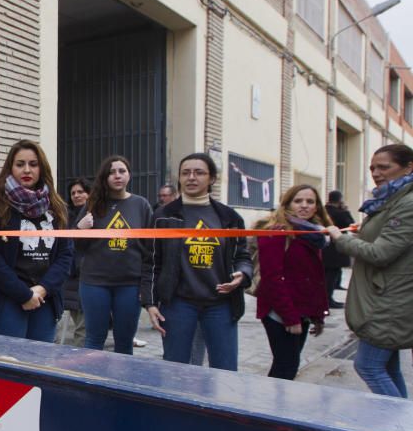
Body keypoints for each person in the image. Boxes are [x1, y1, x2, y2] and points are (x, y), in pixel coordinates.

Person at [141, 152, 252, 370]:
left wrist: (242, 274)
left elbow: (243, 257)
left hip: (221, 303)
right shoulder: (163, 216)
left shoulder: (229, 218)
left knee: (226, 369)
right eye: (186, 173)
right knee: (176, 369)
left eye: (199, 172)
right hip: (179, 303)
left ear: (211, 179)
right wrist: (150, 302)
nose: (191, 177)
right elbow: (151, 262)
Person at [328, 143, 413, 398]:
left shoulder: (407, 203)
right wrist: (360, 232)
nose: (376, 173)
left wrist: (341, 239)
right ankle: (402, 424)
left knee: (368, 366)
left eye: (384, 167)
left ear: (408, 168)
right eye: (372, 168)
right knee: (387, 366)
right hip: (385, 295)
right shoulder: (391, 199)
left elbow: (381, 253)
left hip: (389, 301)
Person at [0, 140, 73, 342]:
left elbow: (65, 255)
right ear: (10, 167)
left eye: (33, 164)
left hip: (44, 297)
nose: (27, 169)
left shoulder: (57, 207)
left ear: (42, 168)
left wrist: (41, 290)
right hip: (4, 296)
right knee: (8, 364)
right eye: (20, 164)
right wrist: (23, 294)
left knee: (39, 365)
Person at [75, 157, 152, 355]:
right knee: (94, 339)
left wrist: (146, 286)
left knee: (125, 342)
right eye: (111, 172)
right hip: (94, 283)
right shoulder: (93, 204)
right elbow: (77, 246)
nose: (117, 175)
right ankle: (91, 385)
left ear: (129, 175)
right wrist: (79, 229)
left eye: (122, 171)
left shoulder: (141, 205)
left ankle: (119, 385)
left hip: (129, 284)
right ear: (105, 177)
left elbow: (149, 249)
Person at [255, 185, 331, 380]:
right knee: (285, 367)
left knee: (289, 366)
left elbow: (314, 279)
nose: (304, 206)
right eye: (298, 201)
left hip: (302, 311)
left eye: (310, 202)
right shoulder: (276, 231)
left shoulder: (314, 234)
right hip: (280, 312)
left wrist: (318, 315)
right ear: (287, 204)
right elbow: (272, 278)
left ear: (317, 207)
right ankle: (268, 408)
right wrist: (290, 317)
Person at [55, 177, 91, 346]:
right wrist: (78, 229)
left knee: (86, 327)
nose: (76, 196)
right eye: (73, 193)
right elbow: (62, 243)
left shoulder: (97, 214)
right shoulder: (65, 215)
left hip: (92, 276)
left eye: (80, 192)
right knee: (81, 327)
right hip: (72, 278)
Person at [323, 190, 355, 309]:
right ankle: (328, 299)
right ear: (339, 199)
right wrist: (345, 210)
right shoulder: (340, 213)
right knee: (331, 276)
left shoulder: (323, 211)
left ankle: (326, 298)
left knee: (325, 275)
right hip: (336, 248)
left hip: (323, 246)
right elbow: (350, 223)